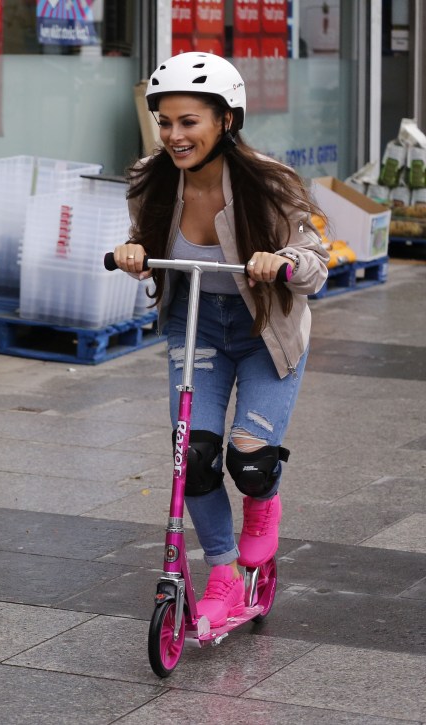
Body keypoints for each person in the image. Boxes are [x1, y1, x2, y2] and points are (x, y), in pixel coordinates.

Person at [113, 52, 329, 626]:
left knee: (249, 462)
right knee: (197, 458)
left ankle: (263, 505)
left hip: (266, 332)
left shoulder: (270, 183)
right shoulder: (150, 178)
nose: (174, 135)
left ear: (225, 121)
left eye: (189, 122)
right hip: (198, 327)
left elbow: (316, 263)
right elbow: (142, 237)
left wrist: (281, 261)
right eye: (165, 122)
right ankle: (225, 575)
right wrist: (134, 251)